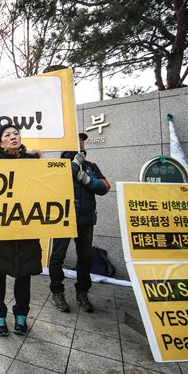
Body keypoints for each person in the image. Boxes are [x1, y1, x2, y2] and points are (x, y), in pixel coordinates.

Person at [0, 123, 43, 336]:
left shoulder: (34, 162)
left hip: (25, 226)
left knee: (24, 274)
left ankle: (21, 315)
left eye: (16, 133)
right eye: (7, 135)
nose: (13, 137)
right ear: (0, 142)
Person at [49, 132, 110, 313]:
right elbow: (65, 178)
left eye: (83, 140)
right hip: (64, 218)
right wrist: (74, 165)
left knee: (85, 257)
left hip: (86, 218)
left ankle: (82, 292)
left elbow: (105, 187)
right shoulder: (58, 165)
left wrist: (88, 180)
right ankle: (57, 292)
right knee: (57, 256)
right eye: (77, 140)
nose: (81, 143)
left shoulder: (91, 166)